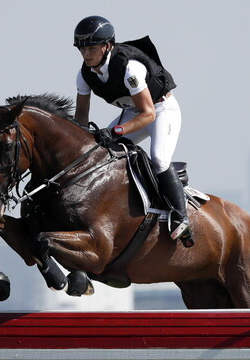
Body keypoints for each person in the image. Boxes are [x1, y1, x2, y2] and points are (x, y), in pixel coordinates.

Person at [72, 15, 193, 247]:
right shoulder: (84, 74)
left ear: (107, 46)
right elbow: (81, 118)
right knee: (98, 154)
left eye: (92, 48)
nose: (86, 54)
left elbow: (149, 115)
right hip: (132, 111)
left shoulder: (130, 68)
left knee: (158, 158)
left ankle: (181, 215)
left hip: (160, 109)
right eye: (82, 49)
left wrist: (117, 130)